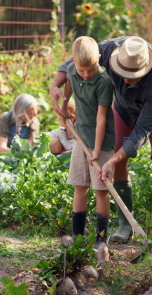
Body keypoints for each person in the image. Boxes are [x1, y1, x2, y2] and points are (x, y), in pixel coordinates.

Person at [50, 36, 152, 243]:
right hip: (123, 108)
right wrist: (56, 83)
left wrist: (111, 159)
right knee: (119, 165)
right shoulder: (111, 49)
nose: (126, 80)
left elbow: (141, 132)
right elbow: (77, 59)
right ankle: (125, 223)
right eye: (123, 73)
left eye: (133, 76)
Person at [61, 36, 115, 250]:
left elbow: (102, 118)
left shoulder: (104, 82)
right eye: (81, 70)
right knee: (79, 186)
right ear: (72, 61)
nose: (85, 74)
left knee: (100, 190)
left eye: (90, 70)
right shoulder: (73, 71)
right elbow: (68, 85)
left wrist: (97, 150)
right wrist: (64, 110)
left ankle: (101, 238)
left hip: (101, 142)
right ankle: (77, 236)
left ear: (99, 60)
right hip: (80, 138)